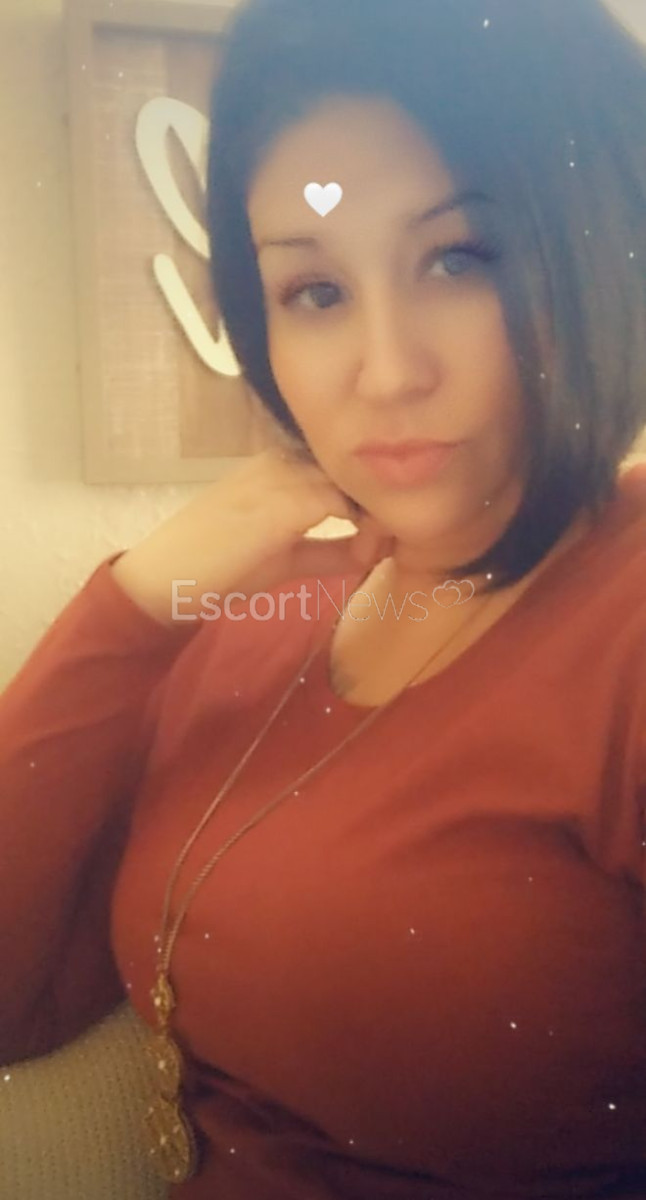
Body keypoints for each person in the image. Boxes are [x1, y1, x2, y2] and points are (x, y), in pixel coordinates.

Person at [2, 0, 646, 1195]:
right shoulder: (258, 613)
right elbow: (13, 999)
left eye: (461, 259)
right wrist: (138, 603)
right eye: (314, 291)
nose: (385, 373)